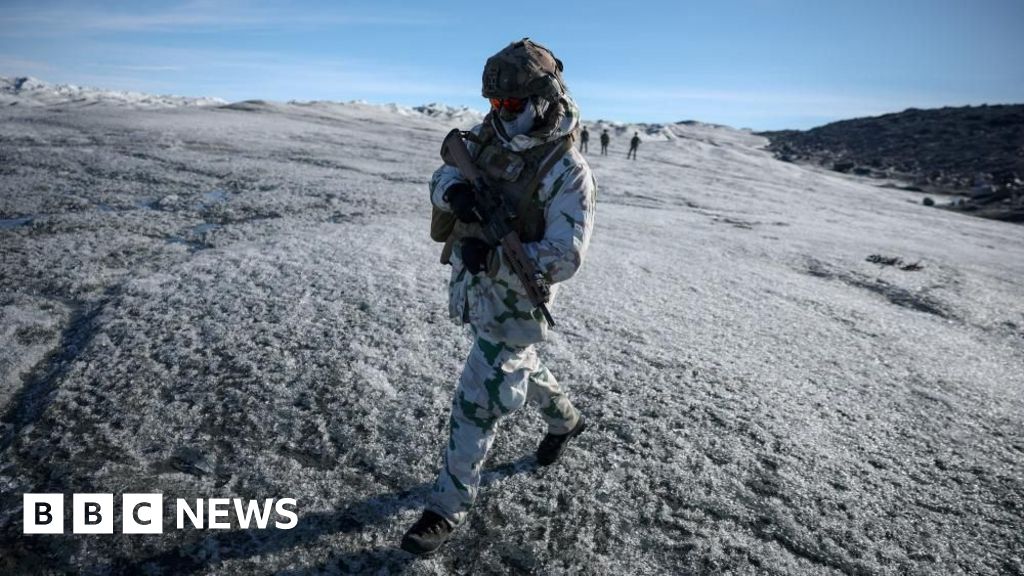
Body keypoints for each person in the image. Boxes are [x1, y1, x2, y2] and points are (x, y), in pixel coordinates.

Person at [403, 38, 596, 555]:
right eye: (494, 103)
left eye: (510, 104)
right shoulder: (485, 139)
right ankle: (567, 420)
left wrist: (491, 256)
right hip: (478, 291)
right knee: (520, 367)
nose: (501, 113)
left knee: (476, 402)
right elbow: (443, 173)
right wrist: (455, 192)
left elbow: (566, 255)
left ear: (543, 97)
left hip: (515, 301)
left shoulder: (567, 170)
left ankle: (446, 507)